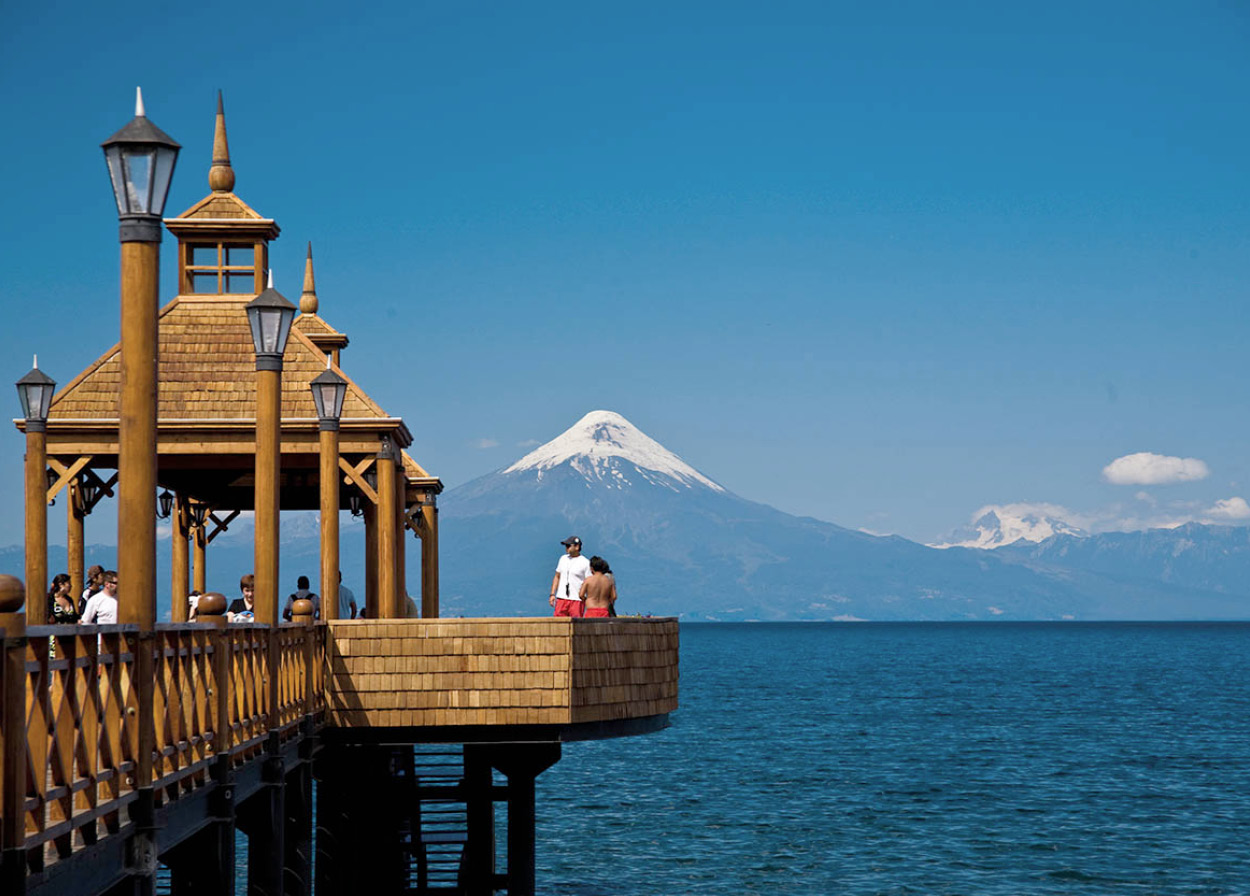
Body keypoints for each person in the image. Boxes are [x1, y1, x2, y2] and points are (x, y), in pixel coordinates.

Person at [549, 535, 590, 618]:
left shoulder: (585, 562)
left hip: (577, 600)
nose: (566, 548)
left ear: (577, 547)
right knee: (558, 624)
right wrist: (552, 594)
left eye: (568, 546)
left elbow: (589, 582)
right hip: (561, 598)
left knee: (576, 625)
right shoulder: (563, 559)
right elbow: (557, 576)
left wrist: (586, 598)